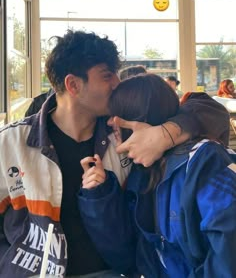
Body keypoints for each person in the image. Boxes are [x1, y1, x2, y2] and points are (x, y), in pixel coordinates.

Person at [0, 30, 229, 277]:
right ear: (73, 85)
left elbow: (211, 111)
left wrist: (165, 134)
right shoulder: (12, 143)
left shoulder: (126, 132)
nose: (117, 84)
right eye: (108, 76)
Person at [78, 74, 236, 278]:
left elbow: (228, 250)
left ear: (138, 121)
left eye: (115, 117)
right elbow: (127, 256)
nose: (110, 125)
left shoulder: (203, 162)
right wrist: (99, 196)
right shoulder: (142, 174)